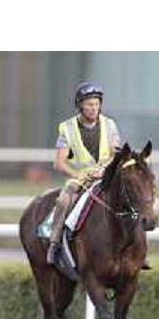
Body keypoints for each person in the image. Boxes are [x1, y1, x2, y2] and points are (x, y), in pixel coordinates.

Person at [46, 82, 120, 264]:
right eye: (89, 104)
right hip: (79, 179)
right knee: (63, 201)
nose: (94, 108)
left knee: (130, 197)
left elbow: (115, 154)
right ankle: (54, 244)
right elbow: (59, 163)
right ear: (80, 105)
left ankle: (139, 247)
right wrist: (79, 176)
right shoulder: (66, 128)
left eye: (96, 104)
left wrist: (104, 170)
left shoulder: (110, 125)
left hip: (106, 176)